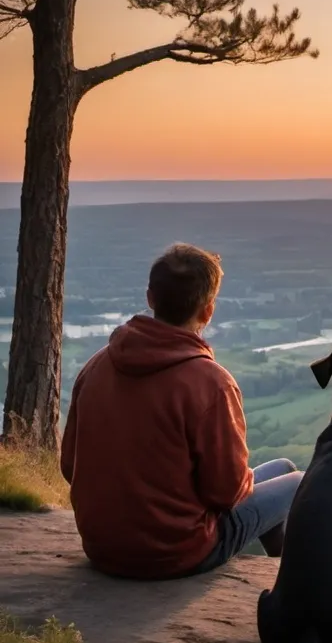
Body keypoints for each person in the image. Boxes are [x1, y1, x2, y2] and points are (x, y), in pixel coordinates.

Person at [60, 243, 304, 579]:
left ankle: (282, 575)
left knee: (283, 467)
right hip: (174, 553)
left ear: (150, 297)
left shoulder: (96, 365)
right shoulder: (210, 383)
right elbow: (225, 493)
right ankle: (296, 583)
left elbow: (70, 467)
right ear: (208, 311)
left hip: (102, 546)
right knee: (303, 481)